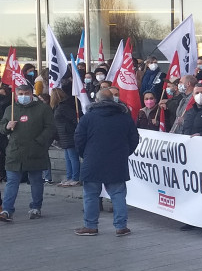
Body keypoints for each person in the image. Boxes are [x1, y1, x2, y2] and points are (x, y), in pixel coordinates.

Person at [73, 89, 140, 236]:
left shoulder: (88, 117)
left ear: (97, 100)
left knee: (91, 195)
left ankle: (90, 226)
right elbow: (134, 138)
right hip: (117, 161)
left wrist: (85, 154)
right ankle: (121, 226)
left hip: (92, 161)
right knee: (118, 194)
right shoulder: (124, 117)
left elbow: (78, 139)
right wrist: (125, 153)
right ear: (113, 100)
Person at [0, 84, 56, 222]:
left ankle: (36, 207)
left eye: (26, 93)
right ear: (16, 95)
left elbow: (50, 128)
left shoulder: (43, 109)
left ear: (31, 94)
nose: (23, 96)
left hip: (35, 151)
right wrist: (7, 126)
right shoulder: (10, 109)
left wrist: (39, 141)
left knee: (36, 181)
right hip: (15, 152)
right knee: (12, 182)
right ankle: (7, 210)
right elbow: (2, 127)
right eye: (20, 94)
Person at [50, 88, 81, 187]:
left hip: (68, 134)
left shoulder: (63, 107)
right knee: (68, 158)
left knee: (72, 157)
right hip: (64, 135)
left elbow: (74, 119)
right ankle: (69, 177)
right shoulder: (59, 107)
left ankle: (75, 178)